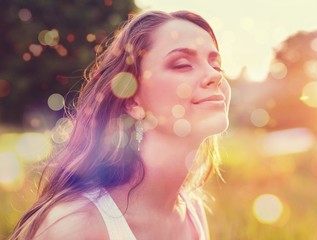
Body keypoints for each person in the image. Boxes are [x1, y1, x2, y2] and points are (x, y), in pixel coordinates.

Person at [9, 10, 231, 240]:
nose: (214, 76)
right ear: (133, 100)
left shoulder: (193, 213)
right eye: (183, 64)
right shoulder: (75, 227)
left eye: (216, 65)